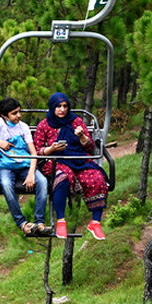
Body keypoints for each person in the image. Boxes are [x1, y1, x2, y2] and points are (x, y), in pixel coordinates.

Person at [33, 92, 109, 240]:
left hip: (77, 158)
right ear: (52, 107)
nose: (62, 109)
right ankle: (61, 220)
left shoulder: (76, 121)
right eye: (58, 106)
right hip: (55, 160)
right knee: (63, 177)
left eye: (65, 106)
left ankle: (95, 222)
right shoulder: (44, 125)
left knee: (96, 177)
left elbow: (89, 147)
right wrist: (52, 149)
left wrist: (81, 136)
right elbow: (38, 150)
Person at [0, 97, 50, 235]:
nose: (19, 115)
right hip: (6, 166)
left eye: (19, 112)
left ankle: (39, 222)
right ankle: (22, 223)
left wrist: (31, 173)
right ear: (4, 115)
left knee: (42, 181)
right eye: (14, 113)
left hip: (24, 164)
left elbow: (33, 152)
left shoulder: (23, 127)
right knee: (6, 185)